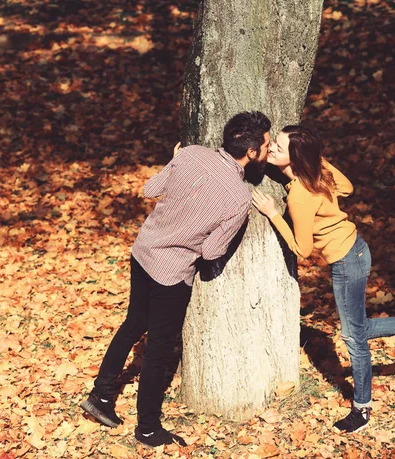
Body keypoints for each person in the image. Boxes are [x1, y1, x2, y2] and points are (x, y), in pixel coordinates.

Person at [81, 111, 271, 448]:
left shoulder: (191, 154)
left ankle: (101, 395)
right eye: (266, 145)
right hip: (171, 274)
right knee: (157, 350)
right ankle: (149, 429)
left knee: (133, 323)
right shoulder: (239, 197)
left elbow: (149, 189)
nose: (268, 151)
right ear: (251, 152)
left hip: (143, 254)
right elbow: (212, 252)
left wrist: (175, 163)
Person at [252, 125, 395, 433]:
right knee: (359, 329)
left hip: (347, 263)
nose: (273, 150)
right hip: (358, 250)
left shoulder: (299, 196)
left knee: (354, 338)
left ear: (295, 158)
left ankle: (361, 410)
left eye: (279, 147)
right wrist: (315, 160)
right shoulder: (316, 175)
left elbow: (302, 250)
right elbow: (347, 188)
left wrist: (272, 213)